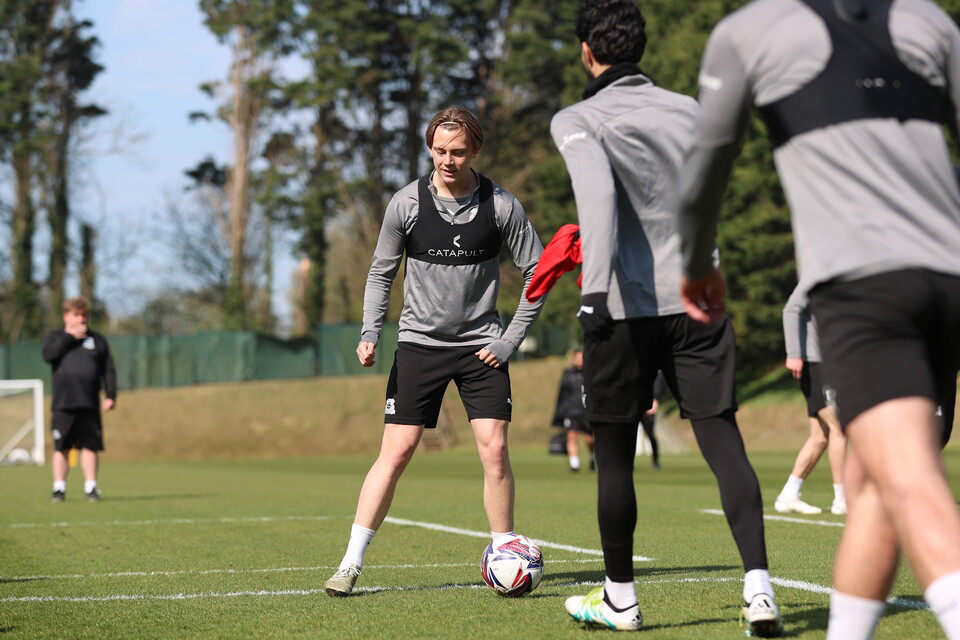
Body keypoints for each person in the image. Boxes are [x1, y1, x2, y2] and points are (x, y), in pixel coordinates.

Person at [676, 1, 960, 638]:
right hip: (949, 281)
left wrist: (697, 264)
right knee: (869, 482)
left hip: (865, 288)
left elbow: (704, 169)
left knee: (909, 478)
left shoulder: (748, 31)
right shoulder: (932, 21)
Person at [549, 1, 781, 634]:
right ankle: (760, 590)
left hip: (623, 308)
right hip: (697, 300)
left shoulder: (577, 117)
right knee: (722, 436)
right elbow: (711, 186)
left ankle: (620, 599)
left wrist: (592, 292)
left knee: (616, 456)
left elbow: (594, 198)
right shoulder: (690, 109)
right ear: (639, 50)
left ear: (587, 52)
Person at [323, 105, 545, 597]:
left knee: (496, 449)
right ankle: (350, 563)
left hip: (481, 348)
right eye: (440, 150)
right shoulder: (405, 204)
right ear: (429, 148)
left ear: (476, 151)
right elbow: (381, 272)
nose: (448, 160)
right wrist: (369, 331)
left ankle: (506, 552)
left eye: (458, 151)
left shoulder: (501, 205)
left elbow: (538, 272)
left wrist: (510, 340)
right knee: (397, 452)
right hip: (419, 345)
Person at [774, 283, 846, 515]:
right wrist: (794, 353)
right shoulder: (818, 270)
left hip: (828, 362)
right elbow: (791, 309)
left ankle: (788, 494)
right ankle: (842, 500)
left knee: (820, 438)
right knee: (840, 428)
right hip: (814, 362)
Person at [41, 296, 117, 502]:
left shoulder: (98, 340)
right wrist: (69, 337)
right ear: (67, 316)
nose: (82, 319)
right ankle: (59, 488)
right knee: (62, 447)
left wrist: (110, 395)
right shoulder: (56, 337)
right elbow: (48, 355)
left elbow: (108, 369)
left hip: (89, 402)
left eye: (84, 315)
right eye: (77, 315)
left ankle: (91, 488)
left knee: (90, 447)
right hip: (63, 403)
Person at [551, 349, 595, 472]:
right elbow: (562, 394)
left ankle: (592, 458)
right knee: (572, 437)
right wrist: (561, 413)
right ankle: (574, 464)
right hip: (572, 412)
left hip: (587, 411)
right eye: (577, 358)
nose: (579, 361)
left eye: (582, 358)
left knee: (589, 439)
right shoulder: (568, 374)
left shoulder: (590, 373)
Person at [638, 373, 663, 471]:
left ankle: (655, 461)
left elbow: (657, 383)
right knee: (628, 436)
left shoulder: (652, 368)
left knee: (650, 434)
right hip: (632, 405)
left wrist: (655, 399)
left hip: (647, 406)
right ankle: (627, 463)